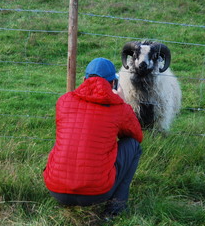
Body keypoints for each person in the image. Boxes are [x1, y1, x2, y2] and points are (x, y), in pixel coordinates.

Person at [43, 58, 143, 216]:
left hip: (56, 189)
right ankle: (115, 209)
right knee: (133, 145)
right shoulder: (118, 108)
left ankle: (66, 194)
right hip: (97, 193)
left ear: (84, 80)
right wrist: (122, 103)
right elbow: (136, 135)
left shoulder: (63, 101)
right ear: (112, 84)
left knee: (66, 140)